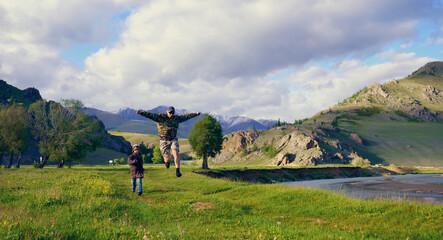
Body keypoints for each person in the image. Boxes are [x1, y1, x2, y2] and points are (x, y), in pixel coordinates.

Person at [136, 106, 200, 177]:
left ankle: (177, 171)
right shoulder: (161, 117)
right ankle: (167, 162)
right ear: (167, 112)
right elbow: (150, 115)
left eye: (173, 113)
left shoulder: (176, 118)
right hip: (164, 140)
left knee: (176, 153)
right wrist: (141, 113)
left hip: (173, 139)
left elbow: (186, 116)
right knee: (167, 158)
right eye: (170, 113)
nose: (171, 114)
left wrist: (196, 114)